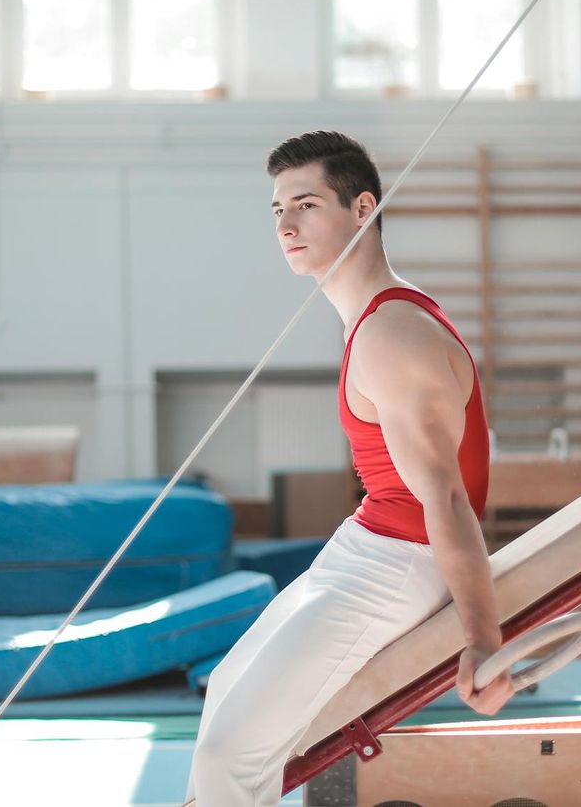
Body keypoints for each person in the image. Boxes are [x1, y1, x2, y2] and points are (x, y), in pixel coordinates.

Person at [185, 131, 513, 806]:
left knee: (230, 751)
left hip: (399, 561)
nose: (286, 225)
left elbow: (447, 498)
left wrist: (483, 639)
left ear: (363, 208)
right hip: (365, 542)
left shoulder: (392, 333)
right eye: (277, 210)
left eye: (306, 205)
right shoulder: (368, 319)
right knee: (225, 694)